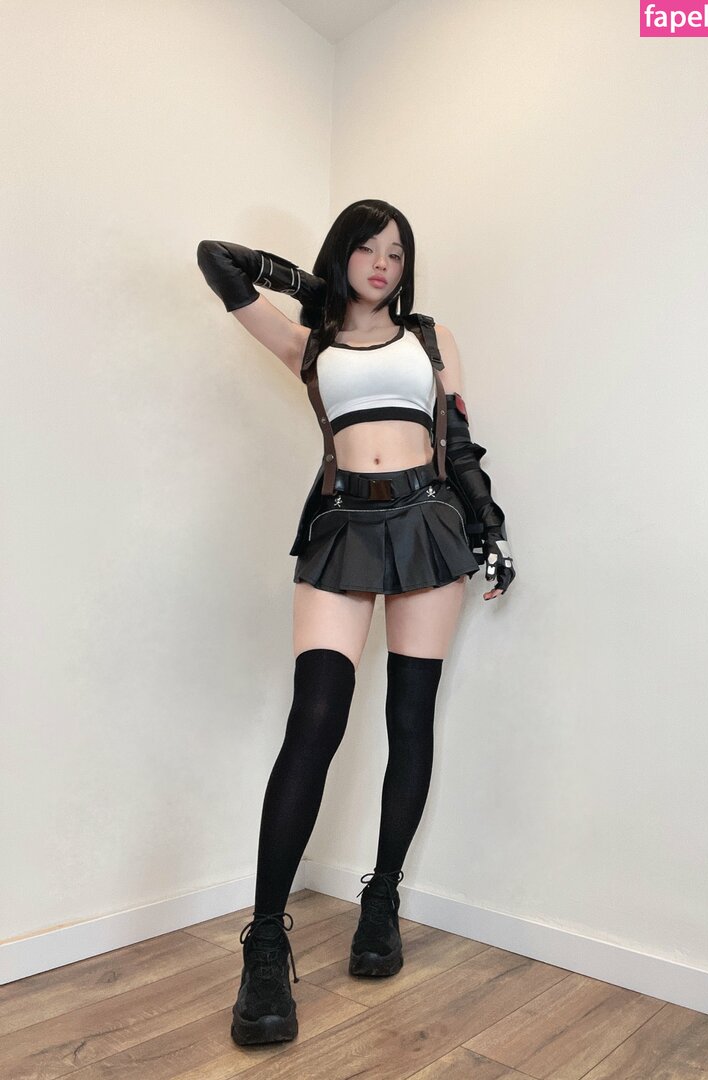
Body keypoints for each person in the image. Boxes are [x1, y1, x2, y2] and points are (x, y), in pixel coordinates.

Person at [196, 198, 515, 1046]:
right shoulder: (311, 346)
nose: (383, 263)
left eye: (397, 252)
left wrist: (491, 529)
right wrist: (315, 291)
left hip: (427, 523)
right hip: (342, 527)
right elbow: (217, 258)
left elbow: (459, 441)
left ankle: (381, 903)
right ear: (342, 254)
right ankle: (266, 945)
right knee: (315, 721)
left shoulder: (431, 339)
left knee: (409, 720)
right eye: (367, 248)